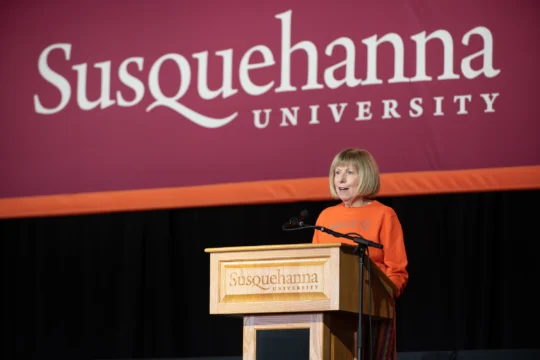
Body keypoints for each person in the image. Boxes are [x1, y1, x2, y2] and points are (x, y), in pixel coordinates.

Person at [312, 148, 408, 360]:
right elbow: (316, 265)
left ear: (365, 176)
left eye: (349, 172)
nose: (341, 179)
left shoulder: (384, 214)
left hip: (374, 309)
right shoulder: (326, 216)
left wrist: (384, 300)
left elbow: (397, 269)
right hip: (332, 308)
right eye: (337, 172)